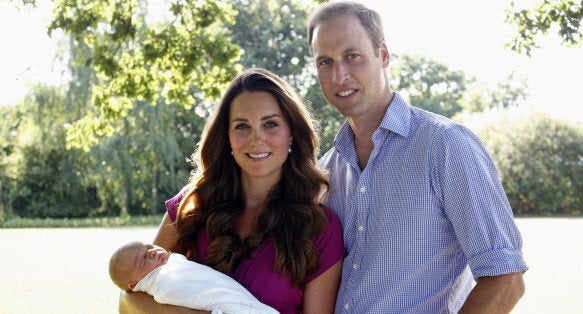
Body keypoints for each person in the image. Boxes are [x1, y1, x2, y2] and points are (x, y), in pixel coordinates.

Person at [307, 1, 529, 313]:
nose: (339, 76)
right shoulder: (329, 169)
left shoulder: (446, 145)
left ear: (383, 55)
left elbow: (506, 278)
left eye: (352, 56)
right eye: (325, 62)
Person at [119, 67, 345, 314]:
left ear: (292, 134)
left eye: (270, 124)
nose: (256, 139)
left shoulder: (320, 228)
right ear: (226, 135)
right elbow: (129, 299)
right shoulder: (191, 204)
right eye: (242, 126)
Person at [109, 240, 279, 313]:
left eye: (149, 247)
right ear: (134, 284)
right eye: (143, 259)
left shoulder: (173, 265)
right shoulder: (164, 285)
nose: (152, 253)